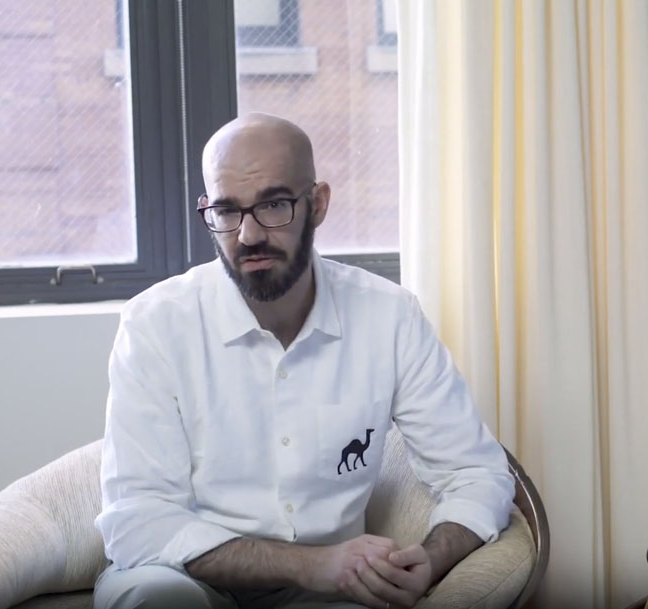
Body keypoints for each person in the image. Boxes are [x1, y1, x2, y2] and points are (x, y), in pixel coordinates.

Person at [93, 112, 516, 609]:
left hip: (329, 594)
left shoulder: (389, 315)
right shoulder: (155, 324)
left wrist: (429, 559)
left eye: (273, 205)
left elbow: (476, 473)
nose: (248, 235)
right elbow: (137, 522)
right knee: (154, 598)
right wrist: (312, 564)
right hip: (183, 577)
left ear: (317, 205)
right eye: (227, 211)